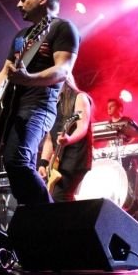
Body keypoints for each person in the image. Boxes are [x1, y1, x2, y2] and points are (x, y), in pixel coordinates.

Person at [0, 0, 79, 205]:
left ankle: (48, 214)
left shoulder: (62, 28)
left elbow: (63, 70)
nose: (18, 4)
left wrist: (29, 78)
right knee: (13, 165)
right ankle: (33, 212)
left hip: (39, 106)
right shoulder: (20, 37)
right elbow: (6, 71)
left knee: (16, 160)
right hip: (12, 109)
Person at [38, 73, 93, 202]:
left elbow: (82, 127)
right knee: (54, 198)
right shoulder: (53, 105)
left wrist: (69, 139)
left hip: (75, 155)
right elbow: (49, 139)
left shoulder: (80, 97)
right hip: (58, 159)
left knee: (60, 196)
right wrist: (43, 164)